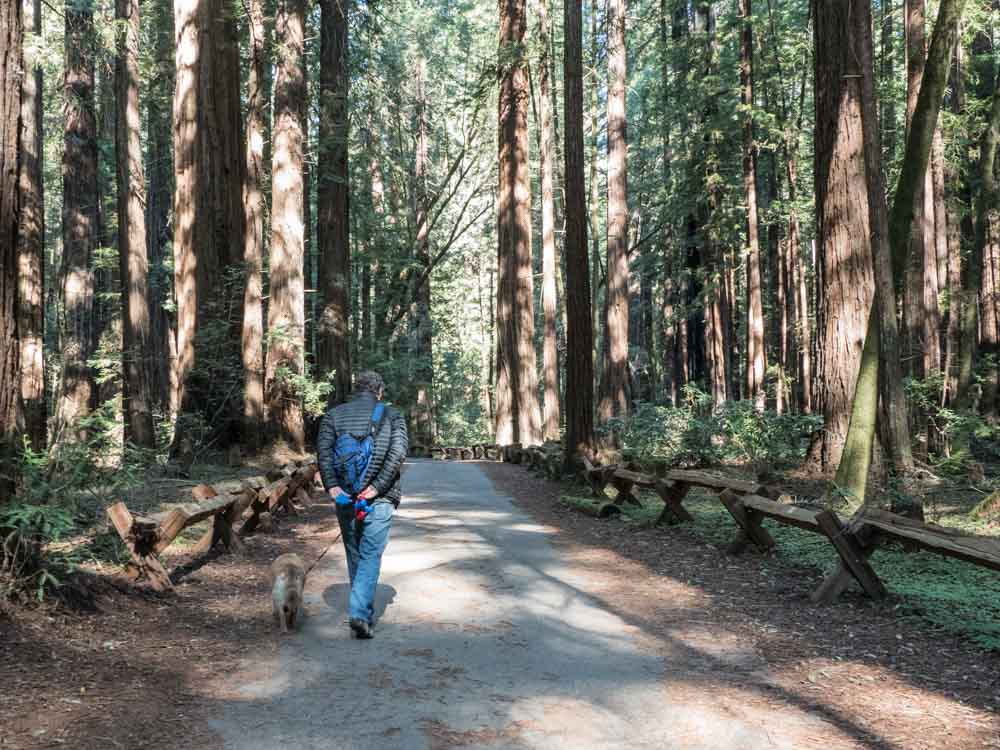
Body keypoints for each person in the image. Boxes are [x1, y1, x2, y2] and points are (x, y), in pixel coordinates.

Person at [317, 371, 408, 639]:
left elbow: (323, 451)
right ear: (379, 391)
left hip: (345, 496)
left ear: (356, 389)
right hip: (379, 498)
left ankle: (360, 609)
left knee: (354, 551)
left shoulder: (334, 415)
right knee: (370, 554)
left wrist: (332, 486)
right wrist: (376, 487)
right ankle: (359, 613)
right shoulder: (393, 416)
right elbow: (398, 453)